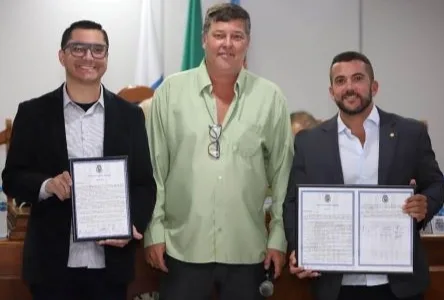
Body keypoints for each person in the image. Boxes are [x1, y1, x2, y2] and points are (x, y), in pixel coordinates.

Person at [143, 3, 293, 300]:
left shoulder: (270, 97)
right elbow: (154, 170)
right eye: (219, 35)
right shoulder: (170, 93)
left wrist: (278, 236)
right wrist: (154, 232)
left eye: (236, 36)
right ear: (204, 39)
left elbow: (282, 175)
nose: (227, 44)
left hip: (247, 250)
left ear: (247, 43)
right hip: (181, 247)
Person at [1, 20, 156, 300]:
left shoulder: (130, 116)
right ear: (62, 55)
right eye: (78, 48)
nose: (88, 57)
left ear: (106, 57)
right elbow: (12, 179)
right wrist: (47, 185)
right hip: (52, 265)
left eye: (98, 50)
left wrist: (131, 225)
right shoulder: (33, 113)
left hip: (110, 264)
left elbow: (144, 183)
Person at [283, 51, 444, 300]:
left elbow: (436, 184)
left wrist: (426, 204)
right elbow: (293, 202)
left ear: (374, 86)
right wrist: (299, 249)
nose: (349, 87)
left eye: (357, 78)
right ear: (331, 92)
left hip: (399, 285)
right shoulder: (309, 142)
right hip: (335, 285)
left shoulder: (410, 133)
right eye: (340, 81)